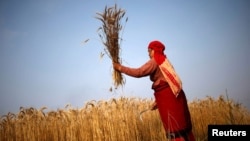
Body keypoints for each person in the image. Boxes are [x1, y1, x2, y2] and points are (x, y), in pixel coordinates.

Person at [113, 40, 195, 141]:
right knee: (182, 126)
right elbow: (166, 81)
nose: (148, 54)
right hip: (175, 98)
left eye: (149, 51)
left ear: (154, 50)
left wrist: (120, 67)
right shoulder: (164, 61)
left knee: (175, 127)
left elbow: (139, 72)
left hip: (169, 100)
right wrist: (157, 102)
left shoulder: (155, 61)